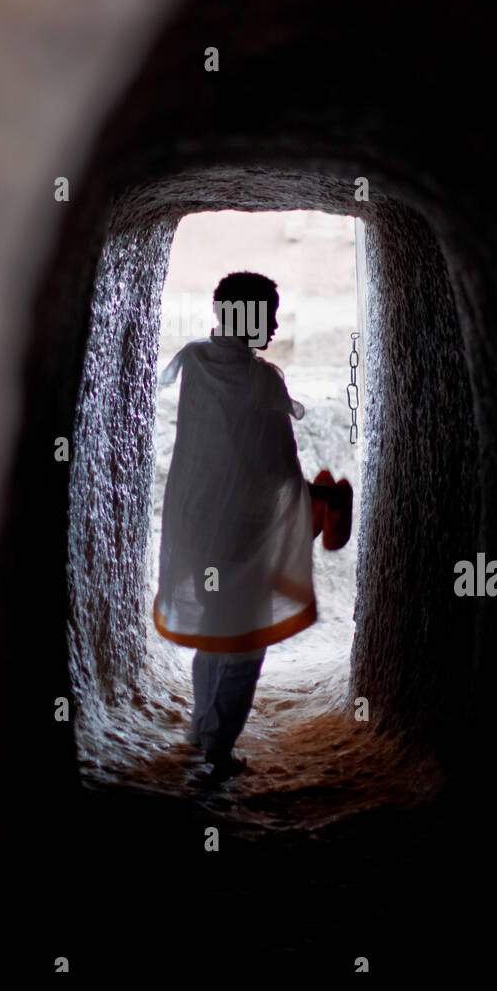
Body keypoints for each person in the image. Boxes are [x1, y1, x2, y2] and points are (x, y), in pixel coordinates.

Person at [154, 271, 318, 782]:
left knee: (214, 631)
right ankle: (219, 749)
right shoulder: (262, 380)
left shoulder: (195, 363)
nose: (271, 325)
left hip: (198, 527)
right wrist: (312, 504)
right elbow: (276, 467)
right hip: (243, 535)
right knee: (243, 642)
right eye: (267, 314)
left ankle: (203, 728)